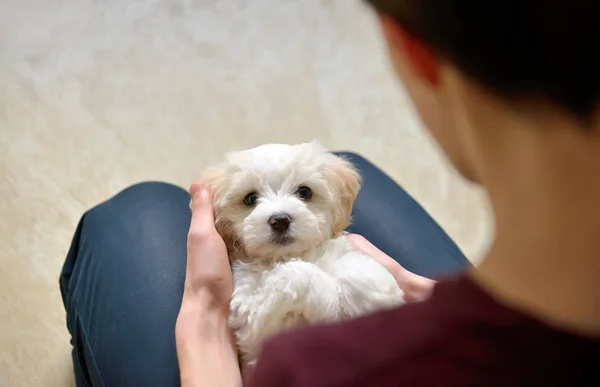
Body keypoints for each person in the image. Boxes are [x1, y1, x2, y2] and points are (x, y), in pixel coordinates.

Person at [60, 0, 600, 386]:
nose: (274, 213)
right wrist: (417, 290)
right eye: (250, 200)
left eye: (301, 193)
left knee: (136, 211)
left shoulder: (311, 368)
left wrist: (203, 313)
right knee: (352, 163)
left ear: (415, 51)